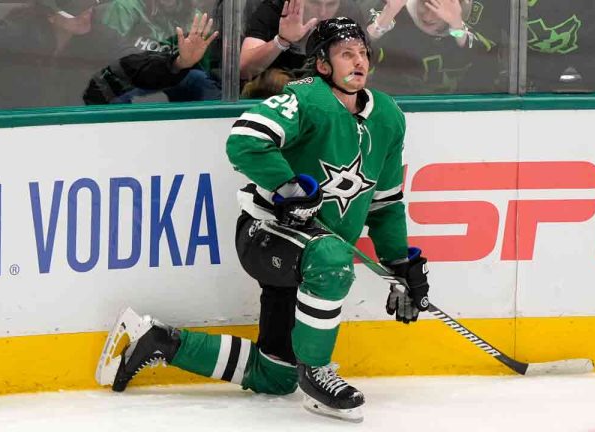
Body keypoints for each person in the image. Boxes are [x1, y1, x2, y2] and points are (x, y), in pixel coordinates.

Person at [95, 17, 430, 423]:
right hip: (267, 235)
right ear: (323, 65)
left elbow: (385, 202)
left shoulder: (388, 116)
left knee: (275, 375)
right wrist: (288, 188)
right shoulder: (305, 98)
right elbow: (245, 139)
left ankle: (160, 341)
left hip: (313, 255)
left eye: (362, 53)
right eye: (346, 54)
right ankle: (318, 374)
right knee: (332, 259)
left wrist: (399, 263)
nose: (358, 61)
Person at [0, 0, 102, 110]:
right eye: (76, 8)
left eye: (90, 3)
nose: (87, 11)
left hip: (74, 120)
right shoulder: (13, 39)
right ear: (50, 15)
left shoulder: (97, 35)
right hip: (11, 119)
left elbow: (120, 57)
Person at [90, 0, 222, 102]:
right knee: (112, 90)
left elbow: (204, 66)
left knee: (202, 82)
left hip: (172, 74)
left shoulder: (194, 16)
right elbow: (107, 52)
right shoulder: (126, 7)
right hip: (131, 75)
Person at [368, 0, 504, 95]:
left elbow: (485, 60)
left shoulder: (483, 17)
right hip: (399, 104)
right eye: (424, 3)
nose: (428, 16)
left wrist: (456, 27)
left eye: (437, 6)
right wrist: (387, 16)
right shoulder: (394, 8)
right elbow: (358, 49)